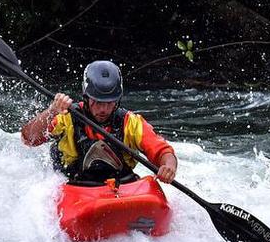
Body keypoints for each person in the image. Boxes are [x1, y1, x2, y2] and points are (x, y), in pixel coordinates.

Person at [21, 60, 177, 184]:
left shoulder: (131, 122)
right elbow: (28, 139)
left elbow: (164, 152)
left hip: (120, 185)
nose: (103, 109)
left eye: (110, 102)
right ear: (86, 96)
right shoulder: (66, 116)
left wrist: (168, 167)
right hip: (74, 185)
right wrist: (52, 110)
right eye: (98, 101)